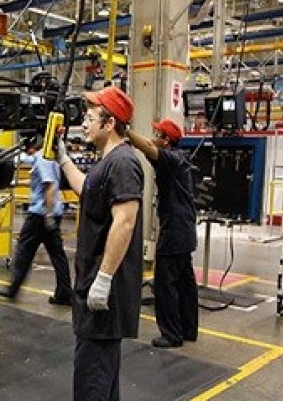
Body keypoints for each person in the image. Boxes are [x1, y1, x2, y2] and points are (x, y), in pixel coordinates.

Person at [57, 85, 144, 400]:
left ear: (110, 124)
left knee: (92, 381)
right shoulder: (108, 161)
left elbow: (125, 221)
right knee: (101, 379)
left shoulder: (123, 163)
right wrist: (64, 159)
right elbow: (88, 190)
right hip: (93, 285)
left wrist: (104, 279)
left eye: (90, 118)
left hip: (104, 291)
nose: (84, 123)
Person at [127, 118, 198, 348]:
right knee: (185, 283)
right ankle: (188, 329)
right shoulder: (179, 159)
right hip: (185, 230)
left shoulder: (171, 160)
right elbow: (148, 146)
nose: (154, 138)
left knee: (165, 285)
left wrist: (124, 130)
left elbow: (147, 147)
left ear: (166, 140)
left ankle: (171, 334)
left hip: (175, 232)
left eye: (158, 134)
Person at [0, 135, 73, 305]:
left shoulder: (43, 158)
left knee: (24, 251)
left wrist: (48, 216)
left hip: (40, 215)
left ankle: (13, 289)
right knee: (57, 255)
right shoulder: (50, 157)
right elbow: (26, 162)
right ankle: (64, 293)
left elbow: (50, 186)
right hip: (51, 213)